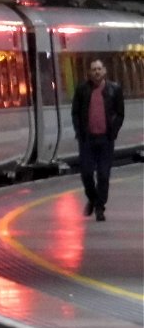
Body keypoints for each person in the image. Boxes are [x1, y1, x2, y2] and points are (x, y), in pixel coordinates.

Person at [70, 58, 126, 221]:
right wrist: (79, 131)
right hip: (87, 140)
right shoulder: (82, 90)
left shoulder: (114, 90)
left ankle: (99, 207)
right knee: (86, 174)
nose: (96, 72)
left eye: (99, 69)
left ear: (104, 71)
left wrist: (113, 132)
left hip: (106, 140)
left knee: (103, 175)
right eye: (93, 69)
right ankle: (94, 199)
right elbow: (75, 112)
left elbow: (120, 113)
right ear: (89, 72)